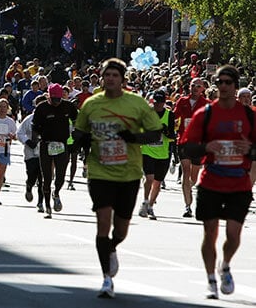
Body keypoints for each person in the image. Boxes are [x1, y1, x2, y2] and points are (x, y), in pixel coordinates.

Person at [73, 58, 163, 298]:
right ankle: (106, 279)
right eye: (107, 75)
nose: (110, 79)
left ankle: (112, 247)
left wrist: (133, 137)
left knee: (121, 228)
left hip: (129, 172)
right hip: (100, 170)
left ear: (122, 79)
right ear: (101, 78)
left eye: (115, 75)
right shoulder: (92, 104)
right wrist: (79, 141)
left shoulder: (136, 104)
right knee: (103, 220)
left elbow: (155, 133)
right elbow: (79, 131)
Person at [181, 65, 256, 299]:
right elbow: (186, 145)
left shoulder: (249, 116)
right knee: (210, 232)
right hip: (211, 180)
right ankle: (211, 280)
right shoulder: (206, 114)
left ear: (235, 86)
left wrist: (250, 149)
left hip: (238, 183)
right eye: (220, 82)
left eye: (228, 82)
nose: (223, 86)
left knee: (233, 235)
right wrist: (206, 147)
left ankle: (225, 265)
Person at [32, 83, 78, 218]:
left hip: (62, 144)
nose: (57, 103)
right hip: (46, 144)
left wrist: (76, 132)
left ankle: (56, 192)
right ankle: (47, 206)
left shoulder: (68, 106)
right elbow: (34, 126)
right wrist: (36, 138)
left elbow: (77, 119)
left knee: (61, 174)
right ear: (49, 97)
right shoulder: (42, 108)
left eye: (59, 99)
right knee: (46, 177)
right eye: (54, 100)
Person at [174, 77, 210, 217]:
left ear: (203, 89)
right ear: (189, 87)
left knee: (193, 177)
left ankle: (189, 188)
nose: (195, 87)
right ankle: (187, 206)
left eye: (198, 86)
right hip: (183, 141)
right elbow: (174, 116)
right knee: (186, 172)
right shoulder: (182, 101)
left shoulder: (207, 104)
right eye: (193, 85)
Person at [138, 90, 176, 220]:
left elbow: (172, 135)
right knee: (149, 178)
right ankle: (145, 201)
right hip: (147, 151)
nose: (158, 105)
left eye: (160, 102)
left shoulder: (169, 115)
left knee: (157, 182)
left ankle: (151, 206)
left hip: (163, 153)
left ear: (164, 102)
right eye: (156, 102)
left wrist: (165, 130)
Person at [17, 94, 46, 213]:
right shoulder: (29, 119)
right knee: (32, 176)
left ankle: (40, 202)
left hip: (45, 153)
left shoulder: (50, 118)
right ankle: (29, 186)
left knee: (43, 179)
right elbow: (19, 133)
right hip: (30, 153)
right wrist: (28, 141)